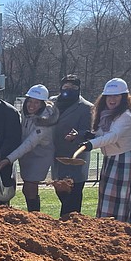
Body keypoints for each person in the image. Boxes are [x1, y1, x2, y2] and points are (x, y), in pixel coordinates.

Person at [79, 78, 131, 225]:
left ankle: (122, 230)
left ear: (123, 98)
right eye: (109, 96)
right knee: (107, 196)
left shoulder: (125, 116)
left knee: (122, 198)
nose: (112, 99)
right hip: (111, 159)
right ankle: (107, 229)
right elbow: (103, 134)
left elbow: (112, 136)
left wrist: (91, 144)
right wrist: (91, 136)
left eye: (116, 96)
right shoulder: (105, 114)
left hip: (125, 160)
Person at [0, 84, 59, 211]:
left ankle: (35, 215)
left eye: (36, 103)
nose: (31, 105)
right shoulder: (26, 114)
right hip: (27, 155)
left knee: (30, 187)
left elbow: (28, 144)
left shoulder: (44, 123)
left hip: (40, 156)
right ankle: (32, 214)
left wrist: (8, 159)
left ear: (42, 104)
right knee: (27, 188)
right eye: (30, 101)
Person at [50, 75, 93, 217]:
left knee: (73, 196)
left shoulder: (86, 107)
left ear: (79, 89)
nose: (69, 90)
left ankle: (71, 225)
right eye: (66, 87)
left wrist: (78, 135)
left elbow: (89, 132)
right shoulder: (52, 103)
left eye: (74, 88)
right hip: (57, 156)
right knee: (60, 191)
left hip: (76, 157)